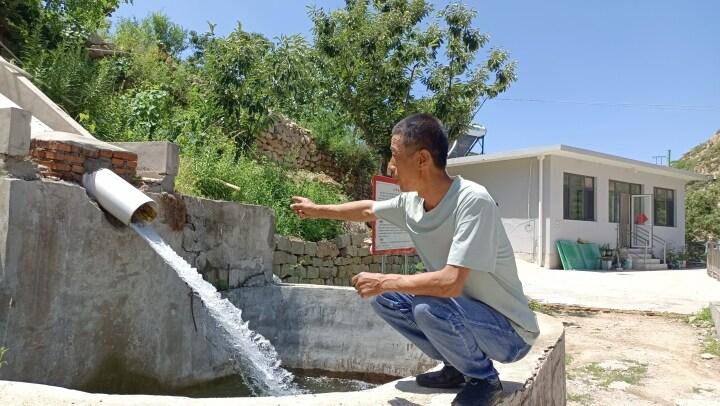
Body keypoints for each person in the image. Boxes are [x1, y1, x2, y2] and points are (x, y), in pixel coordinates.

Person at [290, 113, 539, 406]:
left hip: (509, 333)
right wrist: (317, 209)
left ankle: (484, 379)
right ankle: (456, 366)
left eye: (395, 156)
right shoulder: (411, 203)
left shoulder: (471, 201)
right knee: (385, 299)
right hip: (466, 315)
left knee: (428, 306)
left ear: (422, 159)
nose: (390, 167)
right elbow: (369, 209)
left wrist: (385, 280)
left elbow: (450, 283)